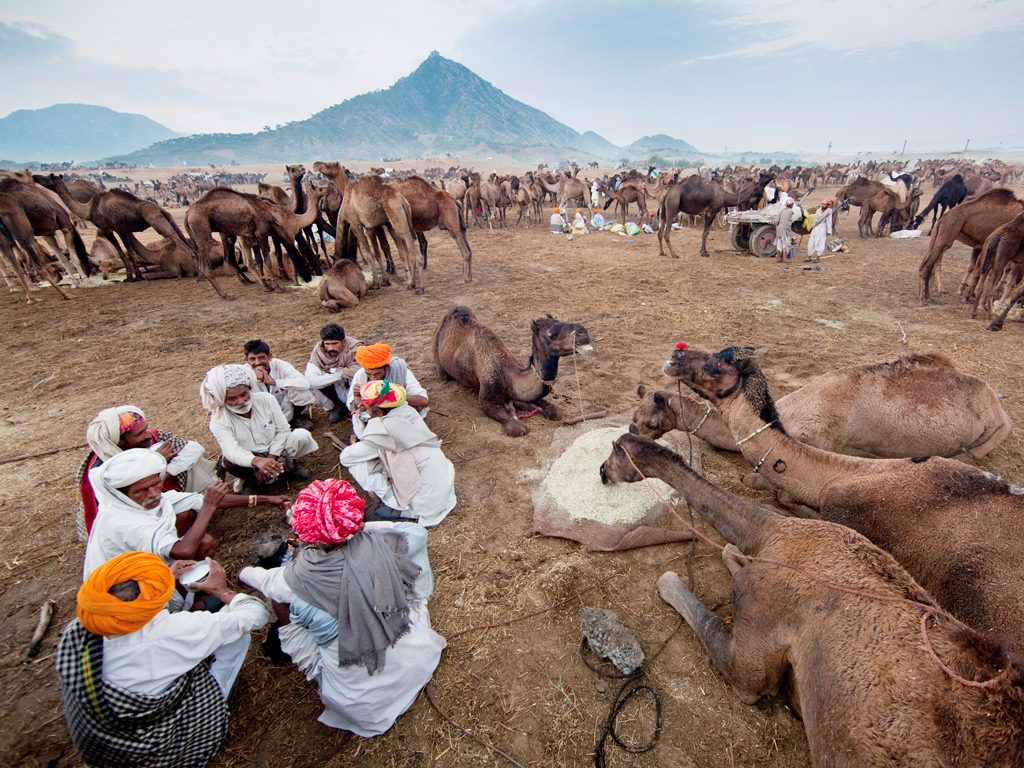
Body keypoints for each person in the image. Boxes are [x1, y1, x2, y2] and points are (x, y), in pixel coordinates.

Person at [238, 479, 446, 737]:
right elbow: (415, 533)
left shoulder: (296, 577)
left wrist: (240, 574)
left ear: (304, 531)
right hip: (420, 660)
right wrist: (353, 526)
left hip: (367, 706)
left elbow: (263, 581)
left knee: (288, 604)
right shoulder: (383, 542)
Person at [57, 551, 272, 768]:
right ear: (151, 598)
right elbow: (257, 613)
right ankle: (220, 698)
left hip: (105, 748)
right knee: (236, 634)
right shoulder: (169, 633)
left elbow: (146, 616)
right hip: (154, 753)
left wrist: (166, 578)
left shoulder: (81, 627)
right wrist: (221, 590)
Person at [82, 448, 290, 579]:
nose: (154, 493)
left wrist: (266, 500)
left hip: (148, 564)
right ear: (123, 495)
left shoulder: (150, 500)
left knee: (196, 529)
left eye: (156, 484)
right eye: (141, 490)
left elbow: (204, 501)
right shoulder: (122, 520)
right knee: (202, 543)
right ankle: (190, 595)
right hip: (126, 587)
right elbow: (184, 552)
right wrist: (209, 506)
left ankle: (191, 585)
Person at [76, 406, 216, 542]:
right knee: (185, 514)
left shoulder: (152, 439)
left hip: (157, 498)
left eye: (145, 429)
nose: (147, 434)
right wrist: (155, 460)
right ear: (119, 442)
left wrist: (167, 471)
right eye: (139, 434)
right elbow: (123, 507)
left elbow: (194, 449)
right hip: (136, 515)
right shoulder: (105, 470)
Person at [340, 382, 455, 527]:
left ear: (380, 413)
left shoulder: (383, 430)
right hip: (445, 493)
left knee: (359, 465)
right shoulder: (409, 411)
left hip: (426, 505)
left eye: (368, 408)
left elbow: (346, 457)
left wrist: (369, 419)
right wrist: (372, 412)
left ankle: (403, 510)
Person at [201, 364, 319, 490]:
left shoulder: (266, 399)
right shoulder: (218, 419)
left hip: (276, 450)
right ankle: (251, 480)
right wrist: (257, 461)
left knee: (301, 435)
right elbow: (231, 450)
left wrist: (270, 459)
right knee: (229, 461)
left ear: (249, 389)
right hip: (250, 457)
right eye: (232, 398)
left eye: (244, 394)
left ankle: (291, 466)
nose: (241, 401)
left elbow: (283, 430)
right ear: (221, 399)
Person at [346, 344, 429, 439]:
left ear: (387, 367)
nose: (373, 378)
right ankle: (368, 440)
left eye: (377, 374)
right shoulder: (360, 375)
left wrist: (393, 396)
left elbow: (423, 401)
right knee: (357, 417)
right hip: (374, 415)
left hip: (397, 413)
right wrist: (357, 397)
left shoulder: (400, 371)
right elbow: (354, 406)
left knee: (409, 412)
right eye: (369, 374)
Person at [244, 339, 317, 431]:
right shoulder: (243, 372)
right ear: (246, 360)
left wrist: (273, 382)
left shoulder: (280, 365)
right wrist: (252, 378)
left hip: (284, 405)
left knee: (300, 390)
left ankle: (296, 418)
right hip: (263, 413)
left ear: (269, 356)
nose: (257, 362)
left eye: (261, 357)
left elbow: (305, 383)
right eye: (252, 359)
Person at [305, 324, 364, 424]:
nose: (331, 347)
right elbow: (311, 381)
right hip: (334, 385)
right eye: (327, 344)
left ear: (343, 342)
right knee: (318, 378)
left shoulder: (355, 348)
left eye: (335, 343)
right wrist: (339, 374)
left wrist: (335, 371)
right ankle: (338, 404)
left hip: (351, 385)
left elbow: (360, 369)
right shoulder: (318, 351)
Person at [807, 199, 834, 263]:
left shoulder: (829, 212)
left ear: (828, 205)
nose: (823, 205)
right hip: (816, 227)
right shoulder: (818, 211)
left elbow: (829, 222)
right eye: (823, 204)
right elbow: (816, 219)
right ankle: (809, 256)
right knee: (811, 242)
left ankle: (818, 257)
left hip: (822, 228)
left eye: (825, 204)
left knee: (820, 242)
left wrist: (828, 231)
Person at [776, 198, 796, 263]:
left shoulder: (781, 210)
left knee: (779, 244)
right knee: (786, 245)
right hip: (785, 230)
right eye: (792, 204)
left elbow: (776, 221)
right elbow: (788, 222)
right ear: (790, 204)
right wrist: (789, 231)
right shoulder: (790, 211)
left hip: (779, 230)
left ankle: (779, 258)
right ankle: (785, 258)